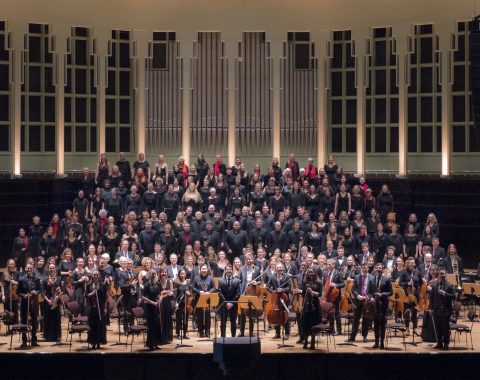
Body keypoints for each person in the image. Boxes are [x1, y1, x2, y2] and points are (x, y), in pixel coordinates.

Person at [347, 262, 374, 343]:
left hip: (366, 301)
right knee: (356, 319)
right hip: (358, 300)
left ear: (368, 268)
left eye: (366, 268)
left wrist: (368, 297)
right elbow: (353, 289)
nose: (365, 269)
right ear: (361, 268)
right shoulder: (357, 277)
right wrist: (358, 296)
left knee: (366, 319)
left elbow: (373, 290)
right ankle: (352, 337)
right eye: (364, 268)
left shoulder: (372, 277)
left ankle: (364, 336)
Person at [430, 268, 456, 350]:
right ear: (438, 275)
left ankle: (446, 344)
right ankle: (439, 343)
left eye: (443, 274)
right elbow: (432, 298)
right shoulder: (434, 285)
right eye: (440, 274)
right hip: (436, 310)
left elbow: (453, 296)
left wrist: (445, 293)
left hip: (446, 310)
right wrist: (431, 308)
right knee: (437, 327)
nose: (442, 275)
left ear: (446, 275)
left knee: (445, 327)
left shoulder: (450, 285)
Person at [18, 263, 41, 348]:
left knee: (34, 321)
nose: (28, 270)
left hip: (34, 303)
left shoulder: (36, 278)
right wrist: (24, 295)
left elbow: (39, 290)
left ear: (32, 269)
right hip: (24, 303)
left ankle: (34, 340)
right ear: (25, 268)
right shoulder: (21, 279)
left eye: (30, 268)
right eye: (27, 268)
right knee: (24, 320)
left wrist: (36, 292)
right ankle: (24, 341)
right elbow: (18, 292)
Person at [267, 262, 291, 340]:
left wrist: (283, 289)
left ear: (283, 268)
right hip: (276, 300)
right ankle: (277, 333)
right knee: (276, 315)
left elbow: (289, 288)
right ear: (276, 269)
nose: (279, 269)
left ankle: (287, 333)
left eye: (281, 268)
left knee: (285, 316)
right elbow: (268, 286)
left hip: (285, 299)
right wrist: (272, 291)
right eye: (278, 268)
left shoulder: (287, 277)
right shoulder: (273, 277)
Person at [371, 262, 392, 349]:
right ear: (375, 269)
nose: (378, 269)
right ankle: (376, 342)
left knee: (382, 324)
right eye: (377, 268)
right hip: (374, 305)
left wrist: (382, 294)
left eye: (380, 268)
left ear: (382, 269)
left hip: (383, 304)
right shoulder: (372, 279)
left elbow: (391, 292)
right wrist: (370, 297)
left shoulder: (386, 279)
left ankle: (382, 342)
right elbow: (369, 291)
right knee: (375, 324)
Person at [192, 263, 216, 338]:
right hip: (199, 299)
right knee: (199, 316)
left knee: (207, 317)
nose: (204, 270)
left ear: (207, 270)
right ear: (200, 270)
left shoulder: (210, 278)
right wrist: (199, 292)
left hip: (207, 300)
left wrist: (209, 292)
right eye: (203, 269)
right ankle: (201, 331)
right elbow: (193, 288)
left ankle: (207, 331)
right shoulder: (196, 278)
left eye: (205, 269)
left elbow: (214, 288)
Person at [301, 267, 322, 350]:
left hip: (315, 305)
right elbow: (303, 294)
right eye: (309, 272)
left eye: (312, 272)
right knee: (305, 324)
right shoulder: (305, 282)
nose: (311, 273)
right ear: (307, 273)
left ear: (315, 273)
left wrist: (312, 292)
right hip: (306, 305)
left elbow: (320, 294)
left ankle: (312, 342)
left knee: (314, 324)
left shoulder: (318, 282)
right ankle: (306, 341)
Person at [399, 257, 421, 335]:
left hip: (415, 295)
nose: (412, 264)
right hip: (406, 295)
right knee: (406, 312)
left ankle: (415, 328)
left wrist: (417, 291)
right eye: (410, 263)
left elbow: (420, 283)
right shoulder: (404, 272)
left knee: (414, 311)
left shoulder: (417, 272)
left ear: (414, 264)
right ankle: (407, 328)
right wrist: (407, 284)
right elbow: (400, 283)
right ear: (408, 264)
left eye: (413, 263)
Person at [218, 265, 241, 338]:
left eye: (230, 269)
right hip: (223, 304)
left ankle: (233, 338)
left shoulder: (237, 281)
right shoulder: (221, 281)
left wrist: (231, 303)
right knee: (223, 323)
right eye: (227, 269)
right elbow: (220, 293)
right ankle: (222, 338)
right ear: (225, 270)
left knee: (233, 322)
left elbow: (238, 294)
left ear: (232, 270)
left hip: (233, 304)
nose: (229, 271)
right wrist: (226, 303)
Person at [86, 270, 107, 349]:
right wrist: (92, 294)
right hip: (92, 308)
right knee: (92, 326)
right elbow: (86, 295)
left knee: (99, 326)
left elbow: (105, 298)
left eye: (97, 275)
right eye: (94, 275)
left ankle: (98, 343)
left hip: (100, 308)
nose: (95, 276)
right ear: (92, 276)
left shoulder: (103, 285)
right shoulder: (89, 285)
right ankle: (93, 343)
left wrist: (105, 308)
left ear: (99, 276)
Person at [142, 270, 162, 350]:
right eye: (152, 274)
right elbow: (143, 297)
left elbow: (160, 294)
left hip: (157, 308)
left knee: (157, 326)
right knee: (150, 326)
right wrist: (153, 303)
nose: (153, 275)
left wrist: (159, 301)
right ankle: (150, 344)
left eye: (154, 274)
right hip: (150, 308)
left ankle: (156, 343)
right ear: (149, 275)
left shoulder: (158, 284)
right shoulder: (147, 285)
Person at [157, 267, 174, 344]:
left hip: (167, 302)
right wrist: (162, 293)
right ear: (160, 273)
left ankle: (167, 338)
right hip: (160, 302)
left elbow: (171, 292)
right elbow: (157, 293)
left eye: (165, 272)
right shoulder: (158, 282)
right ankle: (161, 338)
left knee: (167, 319)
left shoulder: (170, 281)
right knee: (161, 319)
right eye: (162, 272)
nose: (164, 273)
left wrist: (169, 293)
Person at [174, 269, 191, 339]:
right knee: (179, 319)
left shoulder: (188, 282)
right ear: (179, 274)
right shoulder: (177, 283)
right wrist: (176, 302)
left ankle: (184, 333)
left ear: (185, 275)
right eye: (181, 274)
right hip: (179, 303)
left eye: (183, 274)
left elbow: (190, 292)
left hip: (186, 304)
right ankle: (178, 334)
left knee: (185, 319)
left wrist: (189, 293)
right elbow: (175, 294)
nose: (182, 275)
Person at [2, 259, 20, 324]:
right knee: (8, 312)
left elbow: (20, 283)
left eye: (12, 264)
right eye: (10, 264)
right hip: (7, 295)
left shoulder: (17, 273)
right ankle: (9, 326)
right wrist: (3, 295)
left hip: (14, 295)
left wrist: (14, 282)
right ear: (8, 265)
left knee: (15, 311)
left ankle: (15, 326)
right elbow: (2, 286)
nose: (11, 265)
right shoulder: (4, 273)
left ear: (14, 265)